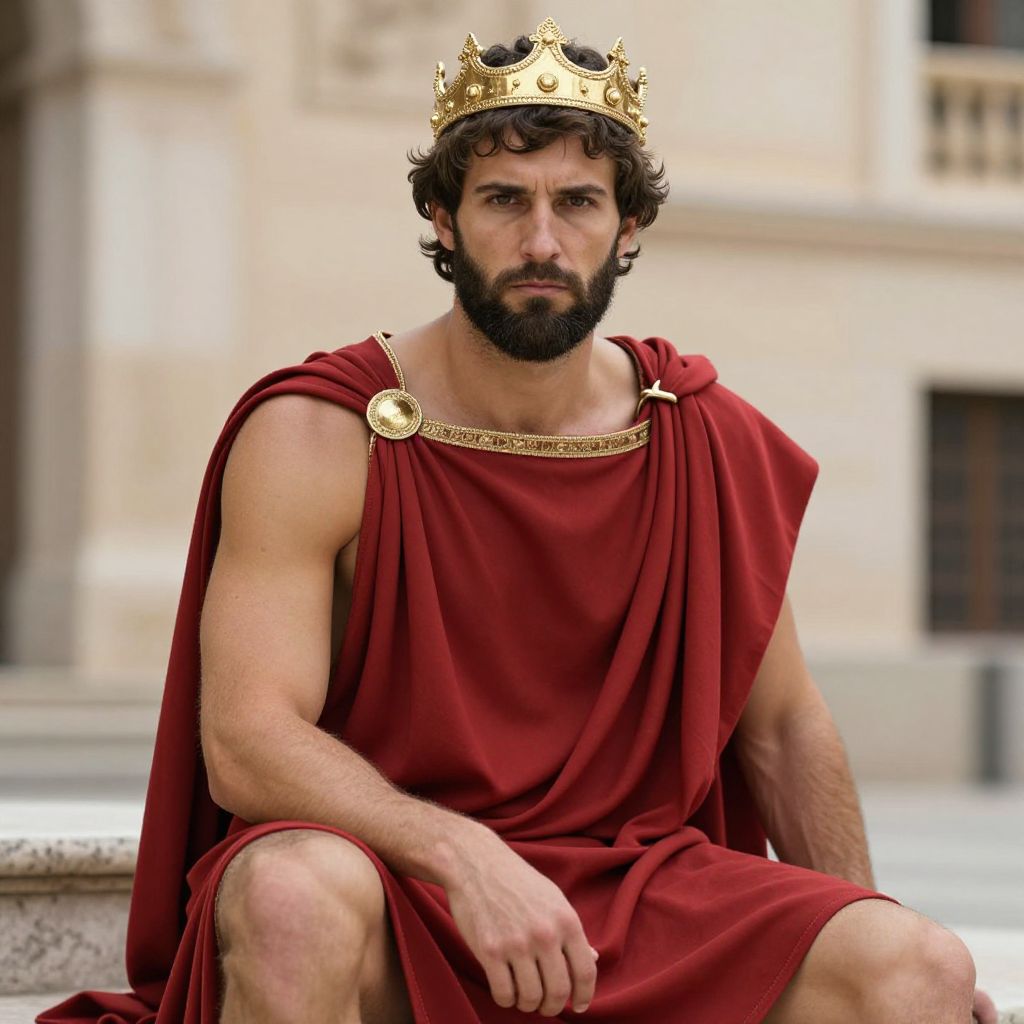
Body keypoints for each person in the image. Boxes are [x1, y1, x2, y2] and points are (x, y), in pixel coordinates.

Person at [38, 17, 998, 1024]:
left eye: (577, 202)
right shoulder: (323, 432)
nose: (542, 240)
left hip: (633, 889)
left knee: (914, 968)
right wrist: (461, 854)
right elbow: (247, 740)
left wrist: (865, 922)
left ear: (627, 227)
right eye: (503, 200)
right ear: (443, 218)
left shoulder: (696, 435)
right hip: (398, 882)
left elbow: (785, 728)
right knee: (288, 896)